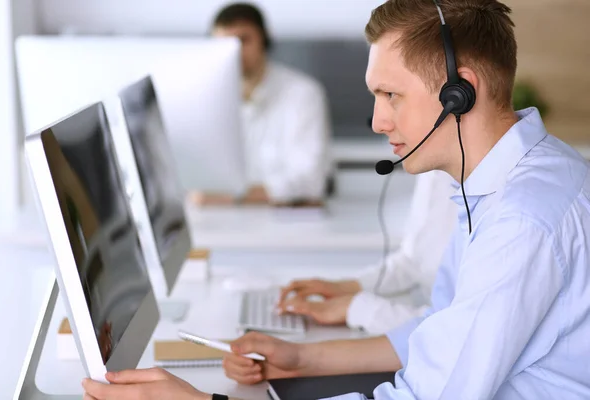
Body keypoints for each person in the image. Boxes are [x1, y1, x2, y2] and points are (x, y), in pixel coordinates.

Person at [83, 0, 590, 399]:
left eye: (391, 95)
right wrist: (306, 359)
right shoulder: (492, 183)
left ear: (460, 93)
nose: (376, 121)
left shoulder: (524, 219)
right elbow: (445, 330)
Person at [277, 169, 457, 334]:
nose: (379, 131)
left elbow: (457, 327)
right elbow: (412, 261)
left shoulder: (480, 196)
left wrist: (354, 308)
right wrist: (348, 287)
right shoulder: (435, 173)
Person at [192, 2, 333, 206]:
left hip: (284, 222)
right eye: (224, 43)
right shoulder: (202, 99)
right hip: (221, 220)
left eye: (243, 40)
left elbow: (311, 181)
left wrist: (232, 197)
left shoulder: (303, 93)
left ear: (264, 39)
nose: (234, 52)